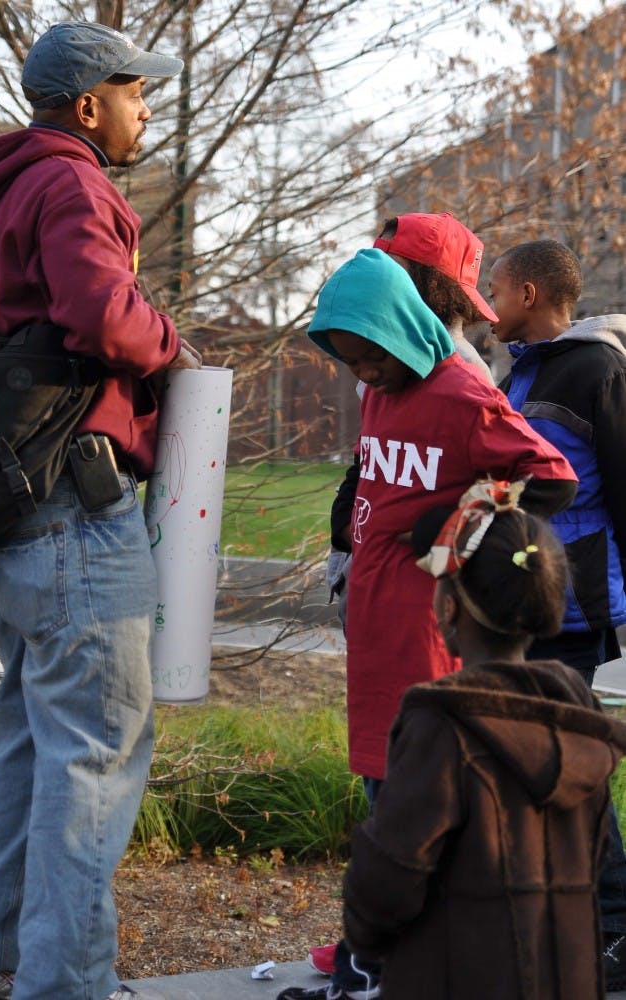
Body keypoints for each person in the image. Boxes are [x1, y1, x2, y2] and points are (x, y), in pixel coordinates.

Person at [0, 21, 201, 1000]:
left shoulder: (7, 191)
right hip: (71, 511)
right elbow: (102, 316)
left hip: (10, 515)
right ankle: (68, 983)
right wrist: (170, 339)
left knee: (30, 740)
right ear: (89, 105)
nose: (147, 108)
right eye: (137, 92)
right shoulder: (76, 184)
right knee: (96, 748)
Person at [276, 248, 577, 1000]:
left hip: (424, 629)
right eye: (348, 361)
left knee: (411, 805)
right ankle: (377, 959)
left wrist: (455, 528)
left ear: (402, 330)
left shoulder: (459, 392)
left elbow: (549, 477)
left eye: (369, 356)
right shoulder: (384, 392)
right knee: (382, 788)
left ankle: (386, 966)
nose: (362, 376)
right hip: (374, 625)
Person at [340, 480, 626, 1000]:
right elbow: (598, 850)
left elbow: (387, 883)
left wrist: (365, 943)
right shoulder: (578, 719)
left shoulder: (439, 725)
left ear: (449, 609)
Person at [489, 238, 626, 990]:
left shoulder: (596, 369)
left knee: (571, 772)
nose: (488, 304)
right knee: (542, 769)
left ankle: (612, 927)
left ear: (532, 294)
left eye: (497, 291)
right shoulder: (523, 371)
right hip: (530, 602)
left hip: (577, 606)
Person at [327, 212, 495, 636]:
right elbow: (372, 452)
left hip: (421, 593)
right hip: (373, 570)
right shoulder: (388, 351)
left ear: (427, 282)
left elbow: (495, 482)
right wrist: (349, 513)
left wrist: (437, 529)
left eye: (390, 266)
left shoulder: (459, 370)